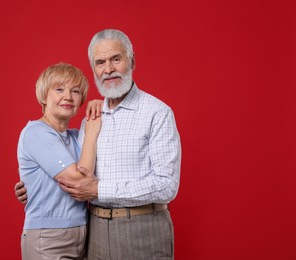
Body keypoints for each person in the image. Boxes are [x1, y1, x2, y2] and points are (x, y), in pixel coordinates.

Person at [15, 29, 181, 260]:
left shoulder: (157, 113)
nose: (108, 69)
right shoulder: (90, 121)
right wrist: (32, 186)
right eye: (100, 62)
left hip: (143, 229)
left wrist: (97, 190)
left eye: (116, 59)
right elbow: (70, 170)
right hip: (95, 231)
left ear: (131, 61)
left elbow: (166, 185)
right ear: (94, 69)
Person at [17, 62, 101, 260]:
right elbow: (79, 181)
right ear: (44, 95)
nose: (68, 97)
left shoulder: (73, 136)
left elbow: (103, 167)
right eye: (59, 89)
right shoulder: (36, 132)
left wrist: (100, 107)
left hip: (83, 233)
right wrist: (91, 131)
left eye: (75, 91)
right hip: (48, 238)